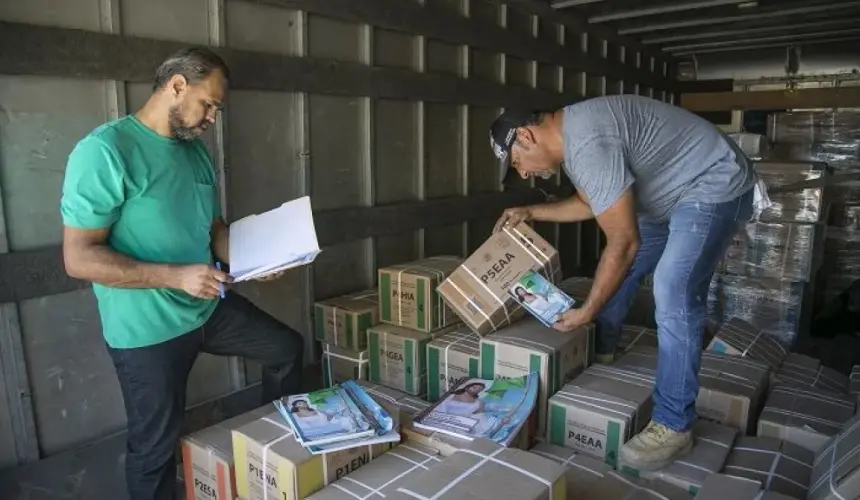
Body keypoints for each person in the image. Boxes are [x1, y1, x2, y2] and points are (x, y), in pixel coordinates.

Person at [60, 47, 305, 500]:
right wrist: (176, 277)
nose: (212, 118)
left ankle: (269, 462)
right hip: (145, 330)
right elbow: (79, 258)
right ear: (176, 86)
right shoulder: (105, 151)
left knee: (286, 349)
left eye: (217, 109)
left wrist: (255, 260)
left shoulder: (195, 154)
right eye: (208, 104)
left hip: (205, 306)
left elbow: (214, 232)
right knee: (154, 450)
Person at [489, 94, 765, 471]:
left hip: (713, 185)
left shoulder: (587, 143)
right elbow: (591, 203)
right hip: (668, 197)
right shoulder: (577, 142)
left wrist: (587, 310)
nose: (523, 173)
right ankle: (601, 349)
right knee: (627, 269)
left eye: (516, 162)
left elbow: (623, 241)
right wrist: (532, 210)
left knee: (672, 287)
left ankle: (674, 424)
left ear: (526, 136)